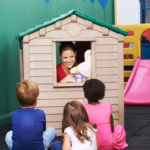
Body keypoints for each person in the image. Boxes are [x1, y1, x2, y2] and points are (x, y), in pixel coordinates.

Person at [5, 80, 57, 150]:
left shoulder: (14, 114)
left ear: (19, 100)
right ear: (36, 100)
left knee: (9, 134)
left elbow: (16, 132)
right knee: (51, 130)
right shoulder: (40, 113)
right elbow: (43, 130)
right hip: (38, 148)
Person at [83, 79, 128, 150]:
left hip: (91, 145)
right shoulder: (107, 106)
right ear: (102, 93)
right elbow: (112, 129)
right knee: (119, 127)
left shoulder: (82, 108)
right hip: (109, 145)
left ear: (85, 94)